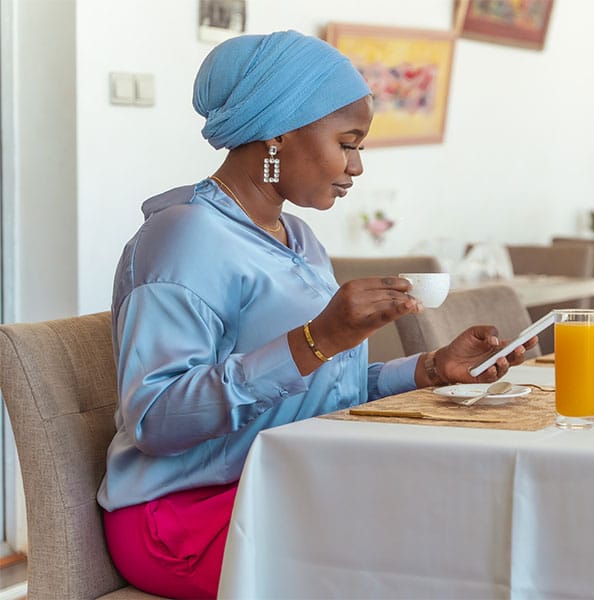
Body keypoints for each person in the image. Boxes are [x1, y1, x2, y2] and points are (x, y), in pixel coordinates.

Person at [97, 30, 535, 599]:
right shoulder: (183, 237)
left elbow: (319, 390)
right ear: (279, 131)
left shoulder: (298, 239)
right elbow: (155, 420)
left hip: (286, 483)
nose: (356, 166)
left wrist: (428, 369)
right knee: (437, 548)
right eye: (347, 142)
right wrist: (317, 339)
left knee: (467, 515)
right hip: (188, 516)